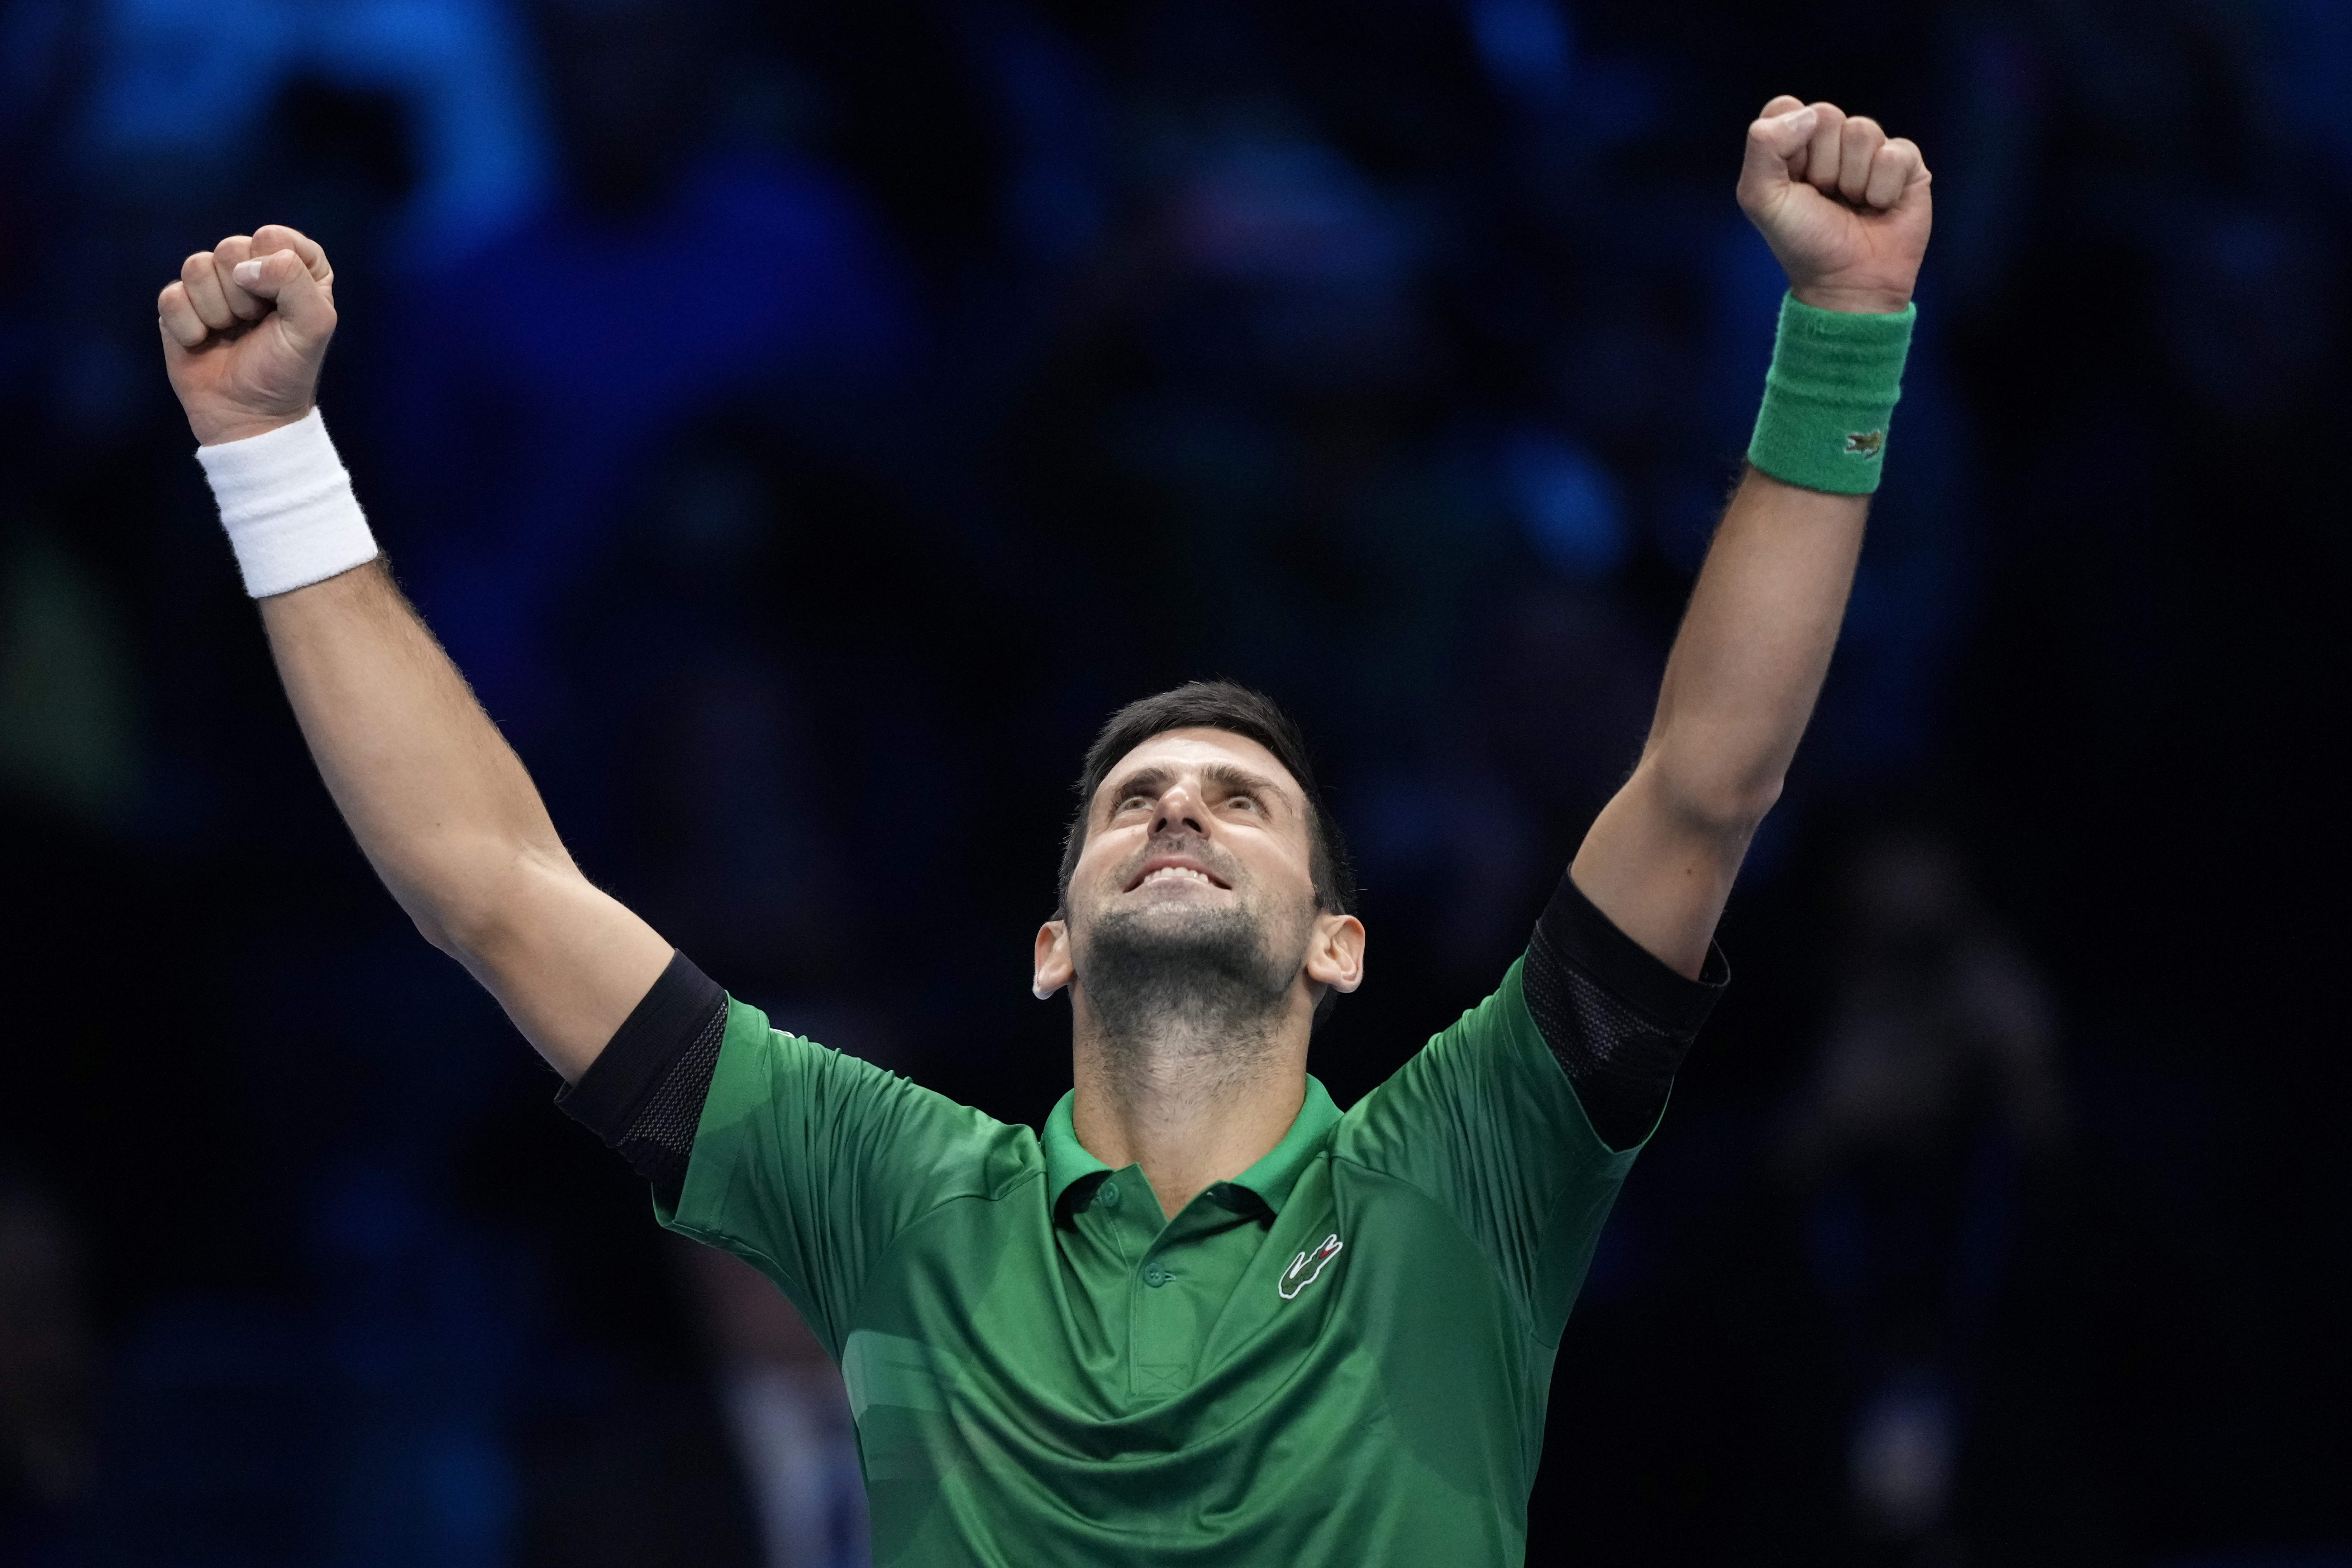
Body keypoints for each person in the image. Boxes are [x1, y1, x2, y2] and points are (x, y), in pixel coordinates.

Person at [155, 96, 1931, 1566]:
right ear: (1052, 941)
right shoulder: (892, 1191)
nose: (1181, 807)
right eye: (1133, 802)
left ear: (1340, 942)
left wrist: (1843, 324)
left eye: (1246, 800)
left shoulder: (1471, 1164)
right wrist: (268, 449)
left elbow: (1705, 777)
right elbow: (490, 882)